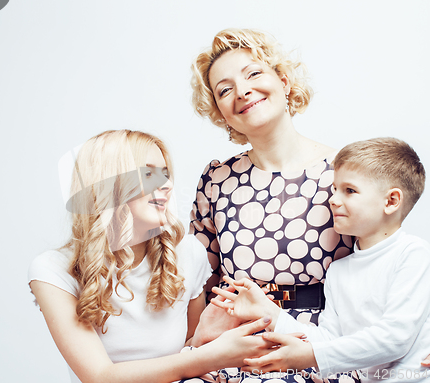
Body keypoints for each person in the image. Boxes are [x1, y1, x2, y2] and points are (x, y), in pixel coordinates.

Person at [183, 28, 359, 383]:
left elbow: (380, 265)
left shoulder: (346, 170)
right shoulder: (217, 179)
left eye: (253, 74)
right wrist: (196, 348)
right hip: (232, 344)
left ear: (283, 81)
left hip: (317, 343)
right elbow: (201, 282)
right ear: (220, 112)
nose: (242, 91)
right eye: (224, 89)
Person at [28, 130, 274, 383]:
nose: (166, 185)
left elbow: (186, 355)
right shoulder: (53, 270)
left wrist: (201, 340)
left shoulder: (188, 253)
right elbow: (100, 377)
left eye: (165, 174)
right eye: (148, 174)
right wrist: (211, 356)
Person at [213, 137, 430, 383]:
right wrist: (270, 313)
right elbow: (328, 338)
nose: (334, 199)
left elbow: (394, 338)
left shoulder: (413, 254)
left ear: (391, 201)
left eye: (349, 190)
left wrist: (311, 356)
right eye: (335, 189)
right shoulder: (338, 271)